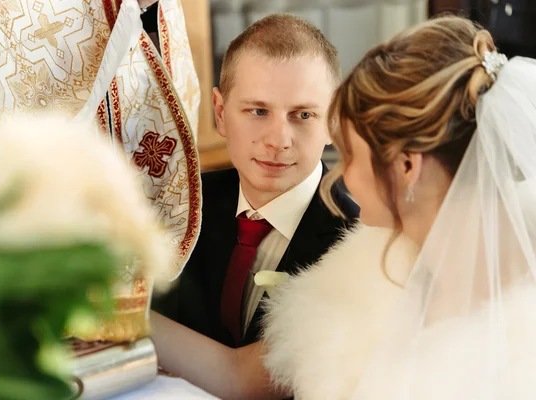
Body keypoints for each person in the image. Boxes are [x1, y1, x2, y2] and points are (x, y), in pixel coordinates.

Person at [262, 15, 536, 398]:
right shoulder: (366, 266)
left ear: (407, 165)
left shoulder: (514, 344)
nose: (340, 179)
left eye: (351, 158)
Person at [153, 13, 358, 350]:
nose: (279, 140)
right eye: (258, 111)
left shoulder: (353, 241)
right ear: (220, 114)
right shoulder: (179, 203)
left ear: (332, 121)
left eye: (303, 115)